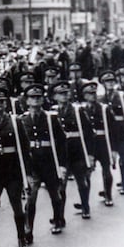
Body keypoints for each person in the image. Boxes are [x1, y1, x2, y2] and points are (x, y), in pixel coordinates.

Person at [0, 86, 33, 247]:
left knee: (16, 205)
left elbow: (25, 148)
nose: (0, 104)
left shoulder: (15, 121)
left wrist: (28, 173)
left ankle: (21, 238)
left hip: (12, 170)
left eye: (2, 101)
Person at [19, 84, 67, 240]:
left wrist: (62, 164)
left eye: (38, 97)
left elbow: (61, 141)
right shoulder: (22, 120)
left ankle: (58, 220)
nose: (36, 100)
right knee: (31, 198)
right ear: (27, 101)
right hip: (33, 164)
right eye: (32, 97)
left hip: (49, 162)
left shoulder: (50, 118)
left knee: (55, 194)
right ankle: (28, 229)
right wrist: (24, 170)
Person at [52, 81, 94, 218]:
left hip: (77, 150)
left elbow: (88, 132)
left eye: (66, 93)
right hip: (61, 153)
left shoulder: (77, 110)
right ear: (55, 97)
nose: (64, 96)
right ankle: (60, 217)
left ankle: (85, 207)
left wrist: (90, 154)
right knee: (60, 185)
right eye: (60, 94)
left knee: (81, 181)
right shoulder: (52, 112)